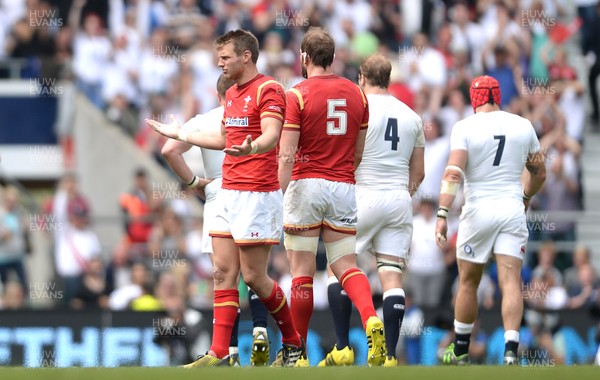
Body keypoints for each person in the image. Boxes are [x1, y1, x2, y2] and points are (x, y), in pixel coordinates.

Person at [147, 29, 303, 367]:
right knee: (221, 272)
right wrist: (181, 134)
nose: (219, 64)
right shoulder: (230, 94)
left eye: (225, 57)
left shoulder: (270, 88)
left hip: (257, 193)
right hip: (227, 192)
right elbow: (221, 139)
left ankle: (293, 343)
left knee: (255, 278)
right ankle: (220, 352)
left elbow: (272, 135)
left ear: (246, 56)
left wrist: (255, 146)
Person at [278, 28, 386, 367]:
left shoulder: (296, 95)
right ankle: (370, 319)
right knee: (346, 266)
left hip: (306, 184)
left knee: (302, 274)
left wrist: (276, 193)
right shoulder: (358, 95)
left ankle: (297, 354)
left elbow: (286, 153)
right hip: (342, 185)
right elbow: (357, 155)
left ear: (305, 58)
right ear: (334, 58)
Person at [315, 54, 425, 367]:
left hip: (362, 195)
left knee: (339, 266)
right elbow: (418, 174)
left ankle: (342, 346)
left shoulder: (357, 107)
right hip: (399, 200)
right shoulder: (412, 116)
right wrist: (401, 195)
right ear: (388, 78)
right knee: (391, 277)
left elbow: (342, 153)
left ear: (362, 77)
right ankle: (389, 356)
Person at [158, 74, 271, 366]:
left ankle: (229, 351)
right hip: (253, 193)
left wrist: (194, 181)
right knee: (256, 273)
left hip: (219, 194)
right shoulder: (256, 116)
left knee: (224, 277)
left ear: (218, 94)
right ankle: (261, 330)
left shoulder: (205, 119)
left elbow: (168, 150)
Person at [435, 75, 546, 365]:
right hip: (511, 209)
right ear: (497, 96)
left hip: (478, 212)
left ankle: (460, 349)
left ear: (474, 99)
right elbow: (540, 173)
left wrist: (442, 213)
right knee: (511, 281)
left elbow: (453, 174)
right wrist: (525, 198)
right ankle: (510, 351)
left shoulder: (464, 127)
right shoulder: (523, 125)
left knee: (468, 281)